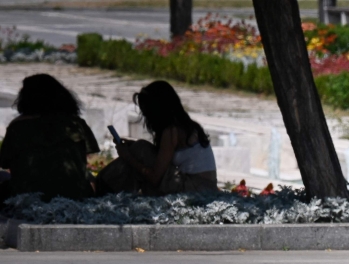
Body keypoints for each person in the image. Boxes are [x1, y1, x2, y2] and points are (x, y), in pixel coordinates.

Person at [97, 80, 217, 195]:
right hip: (201, 187)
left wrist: (128, 156)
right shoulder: (185, 125)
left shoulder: (171, 131)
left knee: (141, 150)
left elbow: (155, 177)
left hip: (194, 189)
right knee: (140, 148)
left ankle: (101, 186)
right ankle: (103, 185)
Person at [0, 74, 99, 202]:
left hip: (28, 198)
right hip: (74, 196)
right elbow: (88, 155)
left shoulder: (18, 126)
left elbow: (5, 163)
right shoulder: (76, 124)